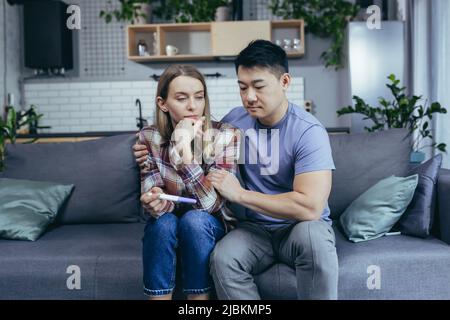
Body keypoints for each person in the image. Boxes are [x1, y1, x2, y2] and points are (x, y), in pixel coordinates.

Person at [134, 40, 338, 300]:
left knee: (315, 240)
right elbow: (197, 130)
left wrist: (240, 195)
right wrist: (147, 147)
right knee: (224, 258)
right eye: (243, 87)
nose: (249, 96)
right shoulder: (234, 120)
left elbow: (310, 207)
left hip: (299, 227)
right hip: (254, 230)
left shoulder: (309, 132)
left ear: (285, 82)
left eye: (259, 86)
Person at [138, 64, 240, 300]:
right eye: (181, 98)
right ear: (163, 103)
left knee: (193, 221)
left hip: (211, 223)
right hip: (170, 220)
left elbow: (211, 206)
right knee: (162, 224)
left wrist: (183, 153)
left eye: (199, 97)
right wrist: (154, 201)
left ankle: (198, 301)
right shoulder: (148, 138)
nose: (193, 106)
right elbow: (156, 195)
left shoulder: (226, 135)